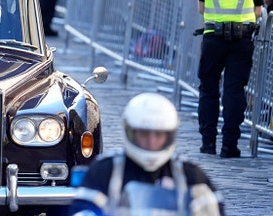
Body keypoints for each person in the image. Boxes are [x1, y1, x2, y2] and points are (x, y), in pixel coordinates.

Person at [69, 92, 225, 216]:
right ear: (130, 132)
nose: (151, 142)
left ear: (170, 135)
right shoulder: (104, 171)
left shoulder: (192, 177)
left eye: (159, 135)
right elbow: (83, 210)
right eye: (144, 135)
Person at [196, 0, 263, 158]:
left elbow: (201, 8)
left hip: (213, 38)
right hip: (241, 41)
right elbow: (258, 11)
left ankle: (207, 143)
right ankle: (229, 145)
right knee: (234, 91)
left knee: (208, 90)